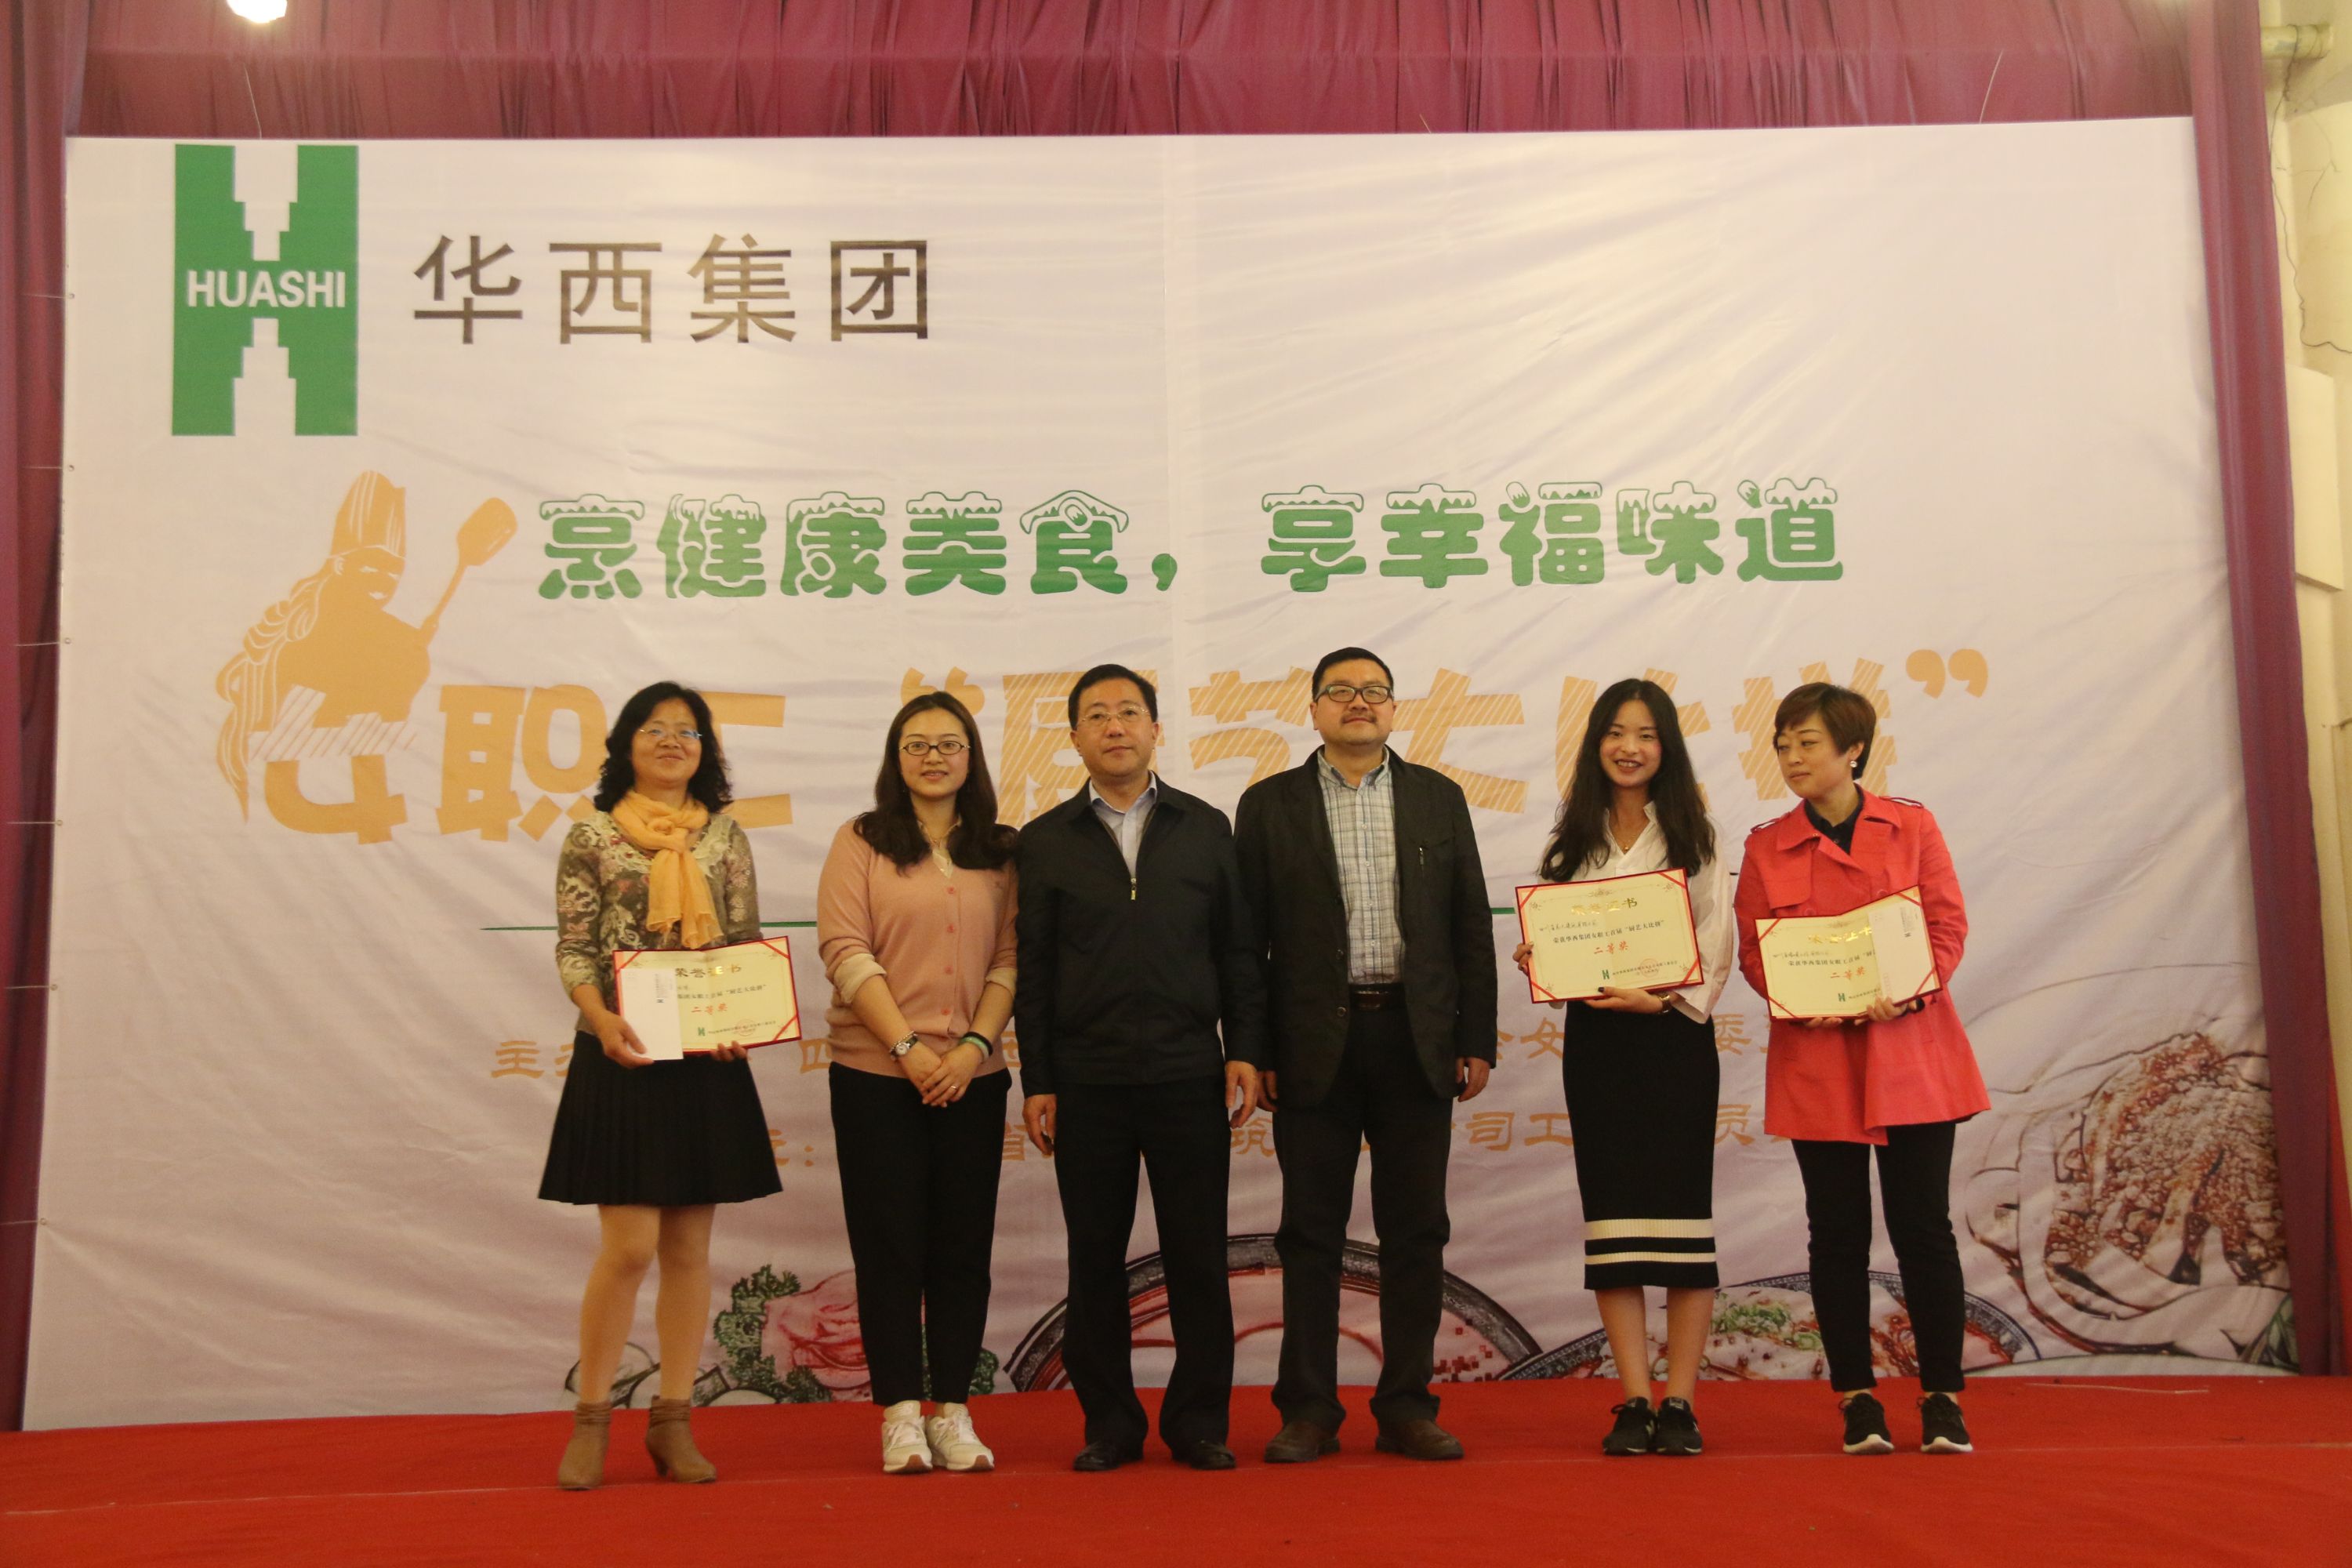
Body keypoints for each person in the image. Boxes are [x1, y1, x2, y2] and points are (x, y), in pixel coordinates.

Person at [1233, 648, 1497, 1465]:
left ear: (1393, 708)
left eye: (1374, 690)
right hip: (1311, 1043)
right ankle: (1309, 1409)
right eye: (1341, 691)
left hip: (1415, 1037)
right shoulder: (1269, 804)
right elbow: (1246, 944)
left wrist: (1476, 1037)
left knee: (1416, 1231)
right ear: (1313, 709)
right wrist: (1253, 1048)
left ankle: (1407, 1405)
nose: (1359, 702)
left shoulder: (1437, 797)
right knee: (1310, 1232)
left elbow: (1469, 924)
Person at [1014, 663, 1267, 1472]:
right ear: (1075, 737)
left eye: (1129, 711)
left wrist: (1244, 1049)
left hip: (1189, 1071)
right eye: (1097, 715)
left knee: (1198, 1255)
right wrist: (1039, 1079)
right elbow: (1034, 970)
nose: (1115, 726)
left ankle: (1198, 1422)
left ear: (1156, 729)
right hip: (1086, 1079)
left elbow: (1237, 951)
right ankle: (1111, 1425)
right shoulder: (1045, 840)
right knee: (1094, 1258)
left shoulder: (1204, 827)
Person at [1733, 681, 1987, 1457]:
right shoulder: (1766, 845)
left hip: (1911, 1052)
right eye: (1783, 744)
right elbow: (1756, 952)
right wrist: (1797, 997)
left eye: (1807, 742)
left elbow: (1945, 924)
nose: (1792, 757)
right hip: (1818, 1059)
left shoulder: (1911, 826)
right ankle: (1857, 1399)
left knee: (1924, 1229)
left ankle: (1943, 1398)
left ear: (1853, 750)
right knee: (1836, 1234)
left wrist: (1910, 988)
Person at [539, 682, 779, 1490]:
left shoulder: (725, 837)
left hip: (706, 1054)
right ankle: (592, 1417)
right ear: (626, 745)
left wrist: (743, 1015)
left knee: (687, 1249)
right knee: (630, 1246)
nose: (673, 740)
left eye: (689, 730)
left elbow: (743, 942)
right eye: (655, 728)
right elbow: (575, 946)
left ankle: (673, 1420)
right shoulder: (594, 835)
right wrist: (600, 1017)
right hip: (624, 1051)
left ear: (706, 749)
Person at [1511, 678, 1732, 1457]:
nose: (1628, 747)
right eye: (1615, 732)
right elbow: (1561, 939)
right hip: (1598, 1045)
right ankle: (1635, 1397)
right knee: (1613, 1223)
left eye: (1645, 734)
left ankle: (1682, 1402)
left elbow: (1717, 942)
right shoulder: (1573, 838)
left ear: (1666, 747)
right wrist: (1541, 954)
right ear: (1595, 743)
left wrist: (1663, 998)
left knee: (1682, 1221)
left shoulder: (1697, 835)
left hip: (1674, 1040)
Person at [816, 691, 1019, 1475]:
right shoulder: (862, 841)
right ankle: (901, 1413)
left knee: (963, 1249)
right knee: (890, 1246)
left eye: (949, 743)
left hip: (974, 1077)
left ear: (972, 756)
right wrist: (907, 1047)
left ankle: (954, 1412)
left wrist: (971, 1048)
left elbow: (1010, 959)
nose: (933, 757)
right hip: (875, 1075)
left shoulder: (1000, 849)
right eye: (916, 744)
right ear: (895, 758)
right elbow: (845, 948)